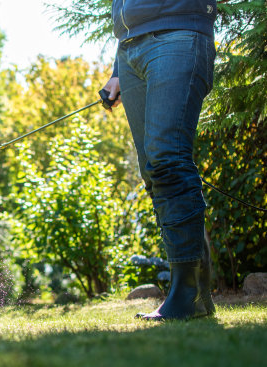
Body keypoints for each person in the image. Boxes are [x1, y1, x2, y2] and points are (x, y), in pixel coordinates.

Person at [102, 0, 218, 321]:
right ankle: (193, 288)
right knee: (154, 172)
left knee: (168, 160)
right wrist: (117, 71)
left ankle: (186, 292)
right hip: (130, 51)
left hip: (179, 35)